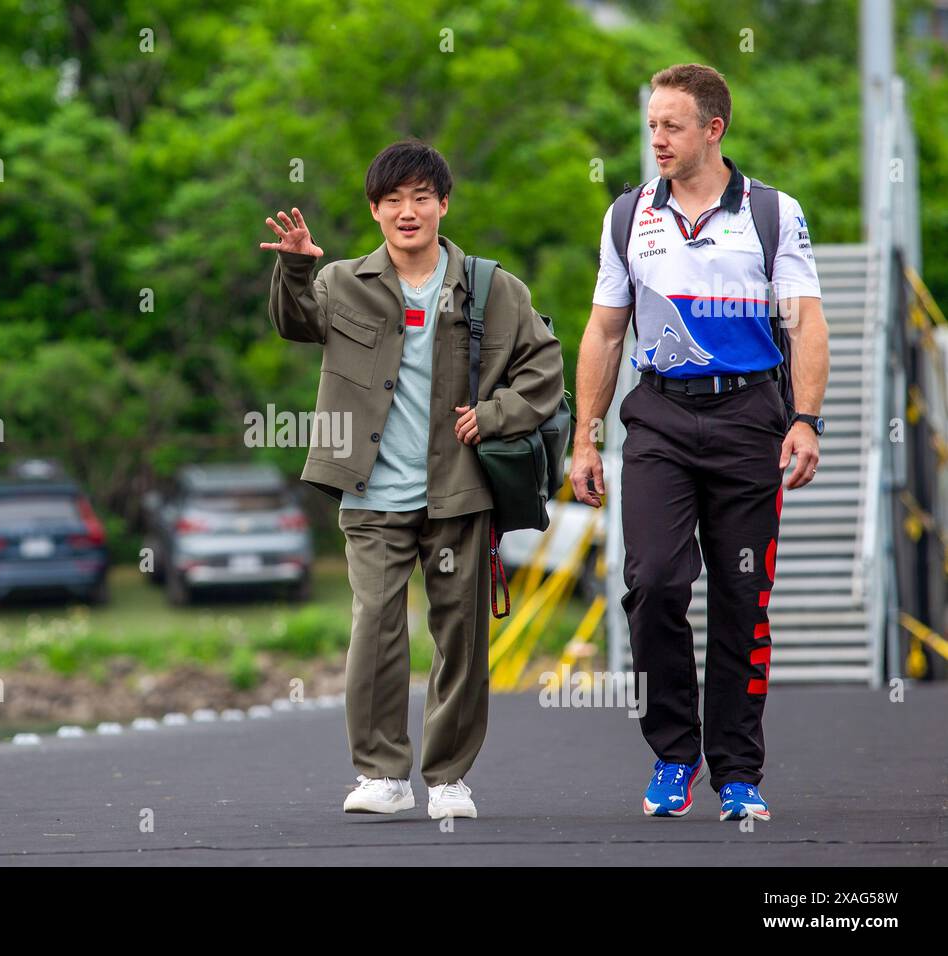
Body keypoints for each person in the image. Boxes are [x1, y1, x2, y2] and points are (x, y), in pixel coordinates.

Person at [262, 140, 564, 818]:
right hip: (371, 493)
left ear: (443, 204)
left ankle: (449, 776)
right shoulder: (341, 282)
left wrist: (494, 415)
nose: (408, 210)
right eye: (393, 200)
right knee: (376, 625)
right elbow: (293, 322)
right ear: (374, 210)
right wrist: (293, 266)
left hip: (459, 492)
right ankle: (382, 775)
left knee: (460, 634)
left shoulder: (491, 286)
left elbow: (544, 370)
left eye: (421, 197)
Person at [570, 64, 829, 822]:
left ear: (713, 129)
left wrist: (806, 419)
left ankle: (739, 772)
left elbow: (805, 322)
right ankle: (673, 756)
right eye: (652, 124)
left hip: (751, 418)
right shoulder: (626, 216)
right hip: (658, 418)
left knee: (743, 600)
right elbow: (603, 330)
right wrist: (586, 439)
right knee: (652, 582)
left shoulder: (773, 213)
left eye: (672, 125)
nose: (657, 138)